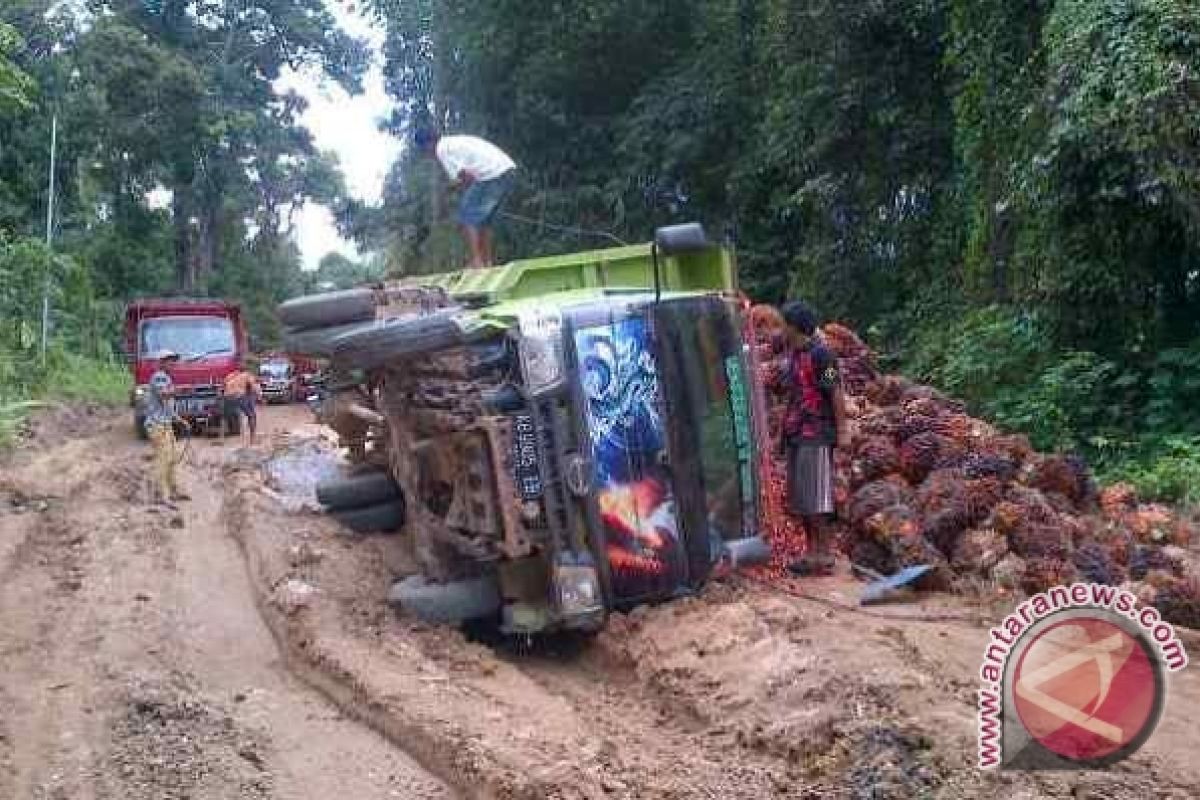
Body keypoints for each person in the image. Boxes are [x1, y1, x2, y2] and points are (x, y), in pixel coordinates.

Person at [777, 300, 848, 576]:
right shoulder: (793, 355)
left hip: (816, 433)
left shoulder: (824, 356)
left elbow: (835, 391)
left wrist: (842, 432)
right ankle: (810, 553)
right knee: (800, 497)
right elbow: (793, 396)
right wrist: (781, 434)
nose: (780, 330)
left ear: (794, 326)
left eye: (784, 324)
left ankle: (824, 553)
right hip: (796, 433)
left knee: (816, 496)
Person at [413, 127, 517, 269]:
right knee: (484, 221)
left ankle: (477, 262)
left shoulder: (442, 150)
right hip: (506, 169)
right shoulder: (452, 143)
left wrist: (452, 190)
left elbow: (467, 177)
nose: (426, 154)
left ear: (428, 144)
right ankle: (487, 262)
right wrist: (459, 188)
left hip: (491, 174)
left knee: (466, 216)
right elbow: (467, 178)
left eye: (424, 150)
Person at [144, 350, 190, 506]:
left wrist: (179, 419)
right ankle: (158, 494)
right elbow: (164, 395)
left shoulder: (166, 377)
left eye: (174, 361)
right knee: (164, 459)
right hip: (158, 425)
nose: (173, 364)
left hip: (164, 424)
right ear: (162, 362)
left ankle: (173, 491)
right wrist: (180, 390)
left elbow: (166, 405)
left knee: (171, 459)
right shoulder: (159, 376)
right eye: (170, 361)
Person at [222, 362, 263, 446]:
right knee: (252, 416)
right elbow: (254, 387)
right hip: (239, 396)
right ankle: (252, 439)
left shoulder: (229, 376)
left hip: (227, 398)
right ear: (246, 369)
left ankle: (221, 438)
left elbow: (223, 387)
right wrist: (260, 397)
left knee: (224, 417)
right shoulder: (247, 375)